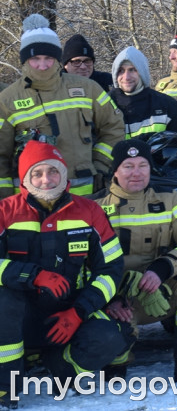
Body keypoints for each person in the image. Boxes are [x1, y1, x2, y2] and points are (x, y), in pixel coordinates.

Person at [0, 141, 132, 407]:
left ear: (64, 173)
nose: (46, 179)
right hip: (17, 317)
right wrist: (32, 275)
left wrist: (79, 312)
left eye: (53, 171)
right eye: (37, 173)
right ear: (24, 178)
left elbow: (111, 269)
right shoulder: (5, 212)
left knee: (113, 338)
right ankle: (7, 388)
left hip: (69, 313)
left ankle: (58, 369)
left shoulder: (90, 211)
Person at [97, 139, 177, 383]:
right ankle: (114, 364)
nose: (136, 173)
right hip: (111, 297)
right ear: (115, 171)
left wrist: (163, 269)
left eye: (143, 165)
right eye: (128, 166)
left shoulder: (170, 200)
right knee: (111, 361)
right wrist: (111, 297)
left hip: (158, 291)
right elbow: (83, 263)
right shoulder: (93, 207)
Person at [0, 15, 124, 197]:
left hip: (85, 196)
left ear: (58, 59)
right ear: (25, 60)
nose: (42, 66)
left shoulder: (88, 88)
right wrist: (6, 200)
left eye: (48, 58)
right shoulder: (7, 100)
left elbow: (114, 126)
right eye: (35, 59)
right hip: (30, 202)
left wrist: (101, 164)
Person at [110, 47, 177, 144]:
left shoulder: (168, 106)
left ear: (142, 73)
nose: (126, 77)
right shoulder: (103, 105)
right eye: (121, 70)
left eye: (132, 70)